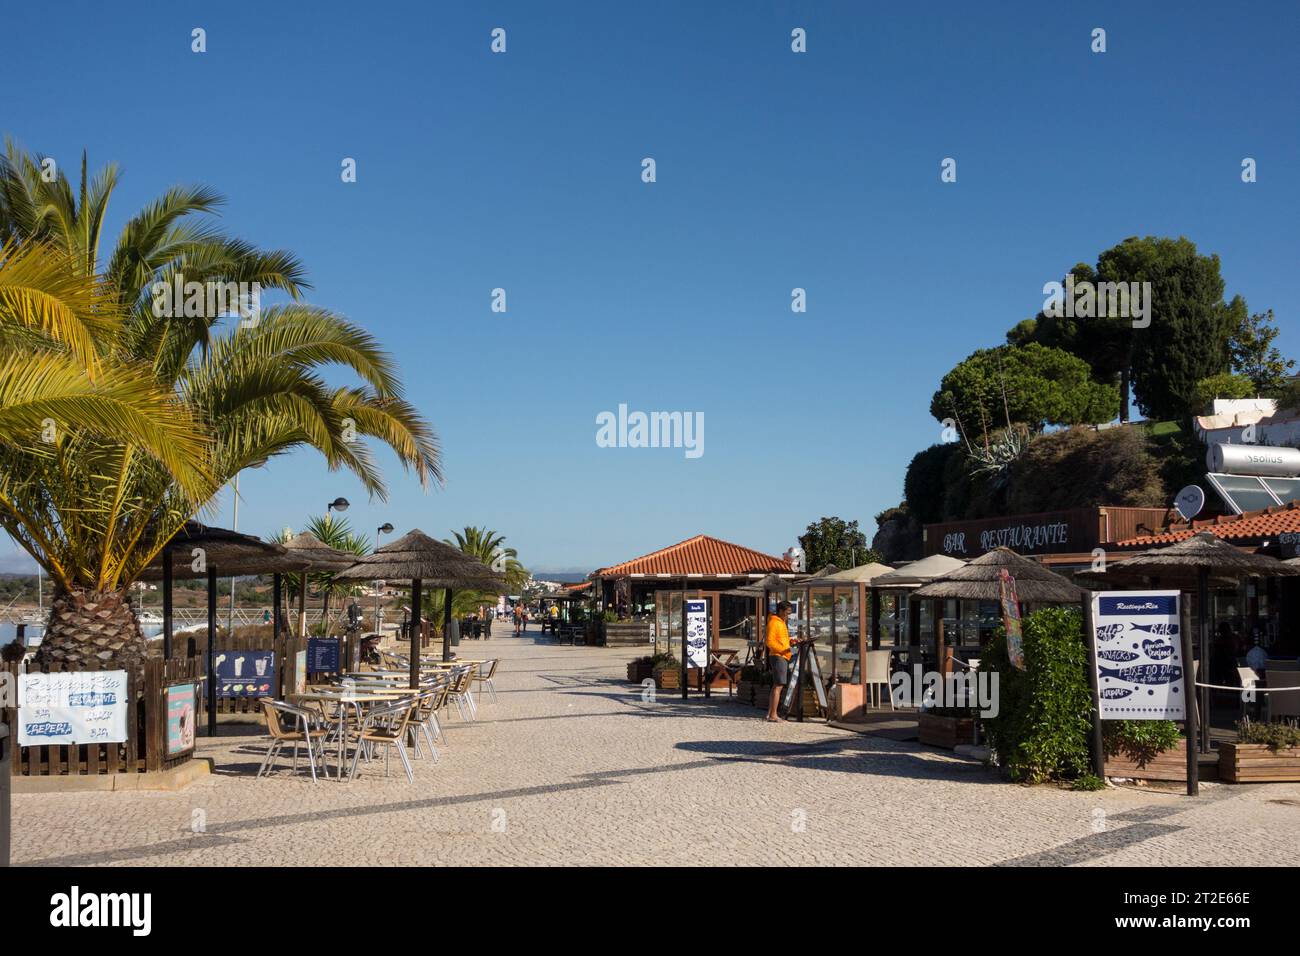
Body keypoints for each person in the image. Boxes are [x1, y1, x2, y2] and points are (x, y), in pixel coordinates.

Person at [765, 601, 795, 722]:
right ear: (781, 611)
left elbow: (780, 639)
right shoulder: (774, 622)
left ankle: (770, 713)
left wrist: (790, 642)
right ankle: (773, 714)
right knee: (779, 685)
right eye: (787, 613)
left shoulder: (780, 622)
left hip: (781, 655)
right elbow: (770, 641)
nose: (788, 616)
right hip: (779, 656)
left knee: (776, 685)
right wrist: (785, 648)